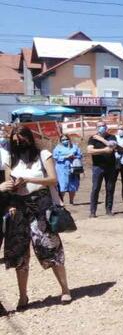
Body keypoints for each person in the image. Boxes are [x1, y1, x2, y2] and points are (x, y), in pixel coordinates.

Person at [2, 126, 71, 308]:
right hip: (18, 208)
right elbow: (9, 185)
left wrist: (29, 180)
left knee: (51, 248)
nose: (19, 144)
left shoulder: (43, 154)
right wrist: (11, 195)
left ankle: (65, 290)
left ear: (29, 139)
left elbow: (53, 179)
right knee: (20, 254)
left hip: (41, 206)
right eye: (15, 141)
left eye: (21, 140)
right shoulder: (10, 159)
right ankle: (23, 296)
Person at [87, 120, 118, 218]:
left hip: (111, 167)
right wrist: (104, 150)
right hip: (98, 167)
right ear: (96, 128)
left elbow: (113, 146)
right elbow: (90, 150)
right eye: (99, 126)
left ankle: (109, 209)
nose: (102, 127)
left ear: (106, 127)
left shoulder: (112, 137)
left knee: (110, 188)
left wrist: (101, 140)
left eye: (103, 126)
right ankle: (93, 211)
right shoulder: (92, 138)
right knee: (95, 188)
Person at [52, 134, 83, 204]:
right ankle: (61, 201)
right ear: (60, 141)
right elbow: (55, 157)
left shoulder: (74, 147)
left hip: (73, 168)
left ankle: (71, 201)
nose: (65, 141)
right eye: (63, 140)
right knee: (62, 184)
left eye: (66, 139)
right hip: (62, 169)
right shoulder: (57, 148)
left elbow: (80, 155)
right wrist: (66, 157)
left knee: (73, 184)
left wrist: (74, 156)